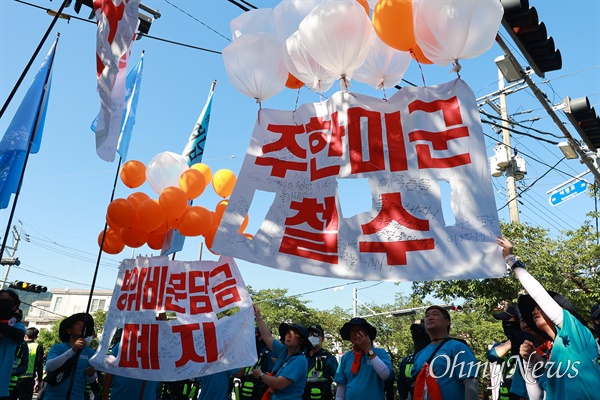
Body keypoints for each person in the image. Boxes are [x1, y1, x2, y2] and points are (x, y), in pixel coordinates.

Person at [498, 235, 600, 399]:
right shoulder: (553, 353)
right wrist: (530, 361)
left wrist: (511, 260)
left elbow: (539, 294)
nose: (534, 311)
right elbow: (536, 396)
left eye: (539, 307)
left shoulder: (576, 335)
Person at [409, 306, 478, 400]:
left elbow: (471, 383)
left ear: (447, 322)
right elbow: (413, 387)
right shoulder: (419, 355)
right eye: (427, 316)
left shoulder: (458, 347)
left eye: (435, 314)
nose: (430, 317)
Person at [252, 305, 311, 400]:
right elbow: (267, 337)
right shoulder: (283, 351)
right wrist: (258, 316)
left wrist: (261, 375)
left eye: (295, 334)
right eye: (288, 332)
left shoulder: (300, 360)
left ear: (301, 341)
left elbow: (279, 383)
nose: (289, 335)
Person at [334, 317, 393, 400]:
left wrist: (369, 350)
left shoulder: (380, 353)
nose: (356, 334)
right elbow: (341, 388)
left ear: (367, 334)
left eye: (359, 330)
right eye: (353, 330)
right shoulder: (346, 358)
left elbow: (386, 375)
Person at [43, 313, 97, 400]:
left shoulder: (90, 352)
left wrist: (91, 375)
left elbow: (91, 380)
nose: (81, 326)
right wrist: (72, 350)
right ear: (68, 330)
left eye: (83, 325)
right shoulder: (58, 348)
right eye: (77, 324)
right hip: (53, 397)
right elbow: (49, 366)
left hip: (77, 397)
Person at [235, 327, 276, 400]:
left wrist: (261, 376)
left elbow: (273, 379)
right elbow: (238, 374)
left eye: (254, 333)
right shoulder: (250, 352)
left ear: (261, 337)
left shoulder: (269, 354)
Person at [0, 290, 26, 400]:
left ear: (15, 306)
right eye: (1, 298)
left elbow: (18, 336)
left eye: (9, 299)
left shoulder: (17, 326)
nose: (4, 301)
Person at [303, 324, 338, 400]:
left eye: (315, 334)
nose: (311, 336)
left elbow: (340, 382)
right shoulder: (301, 357)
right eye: (309, 334)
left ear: (322, 339)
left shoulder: (329, 359)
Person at [397, 320, 430, 400]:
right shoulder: (407, 360)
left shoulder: (439, 354)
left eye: (420, 331)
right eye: (414, 332)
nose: (416, 334)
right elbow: (401, 385)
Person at [11, 327, 43, 400]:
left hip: (14, 376)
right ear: (36, 337)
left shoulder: (19, 344)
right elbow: (39, 364)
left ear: (25, 335)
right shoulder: (37, 346)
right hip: (28, 379)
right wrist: (40, 380)